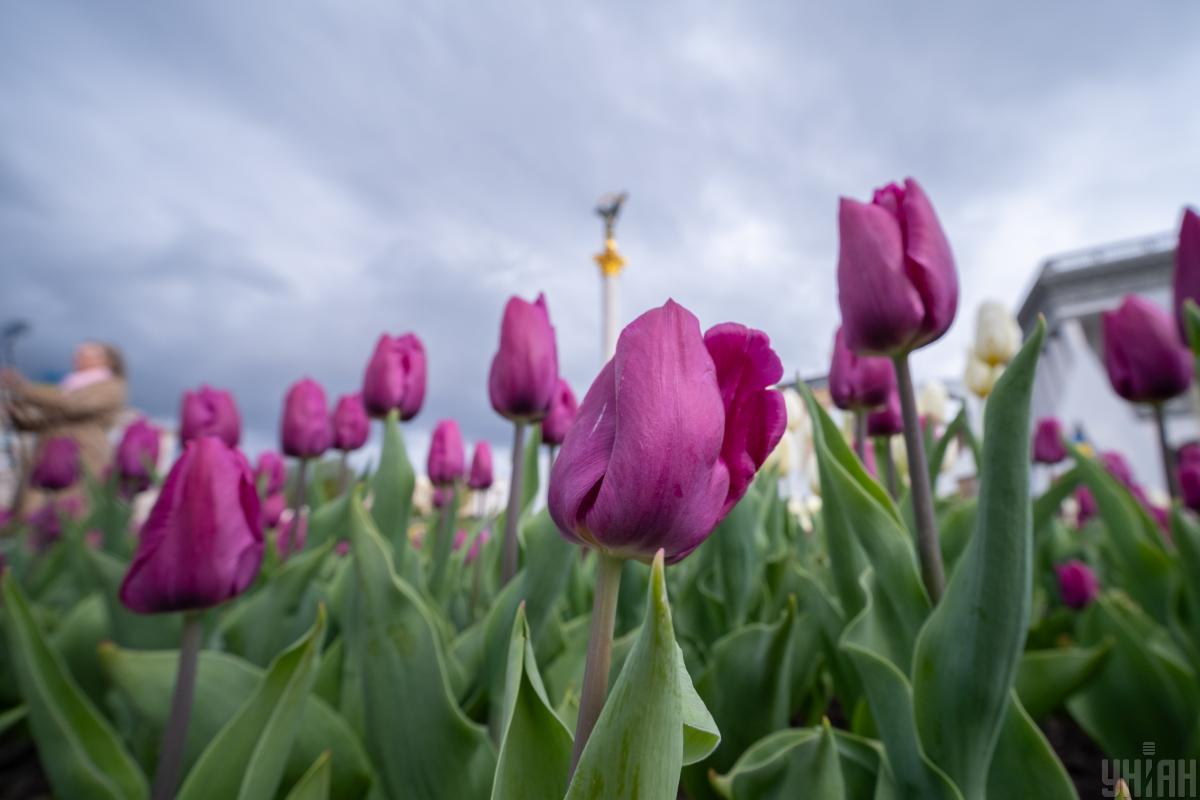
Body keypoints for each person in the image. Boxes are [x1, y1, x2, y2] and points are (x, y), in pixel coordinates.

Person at [2, 341, 128, 516]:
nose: (77, 357)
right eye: (78, 353)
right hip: (46, 453)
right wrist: (14, 412)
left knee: (69, 511)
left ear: (109, 360)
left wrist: (23, 388)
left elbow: (72, 405)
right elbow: (42, 421)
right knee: (33, 513)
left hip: (83, 454)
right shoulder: (68, 386)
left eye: (86, 354)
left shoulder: (111, 385)